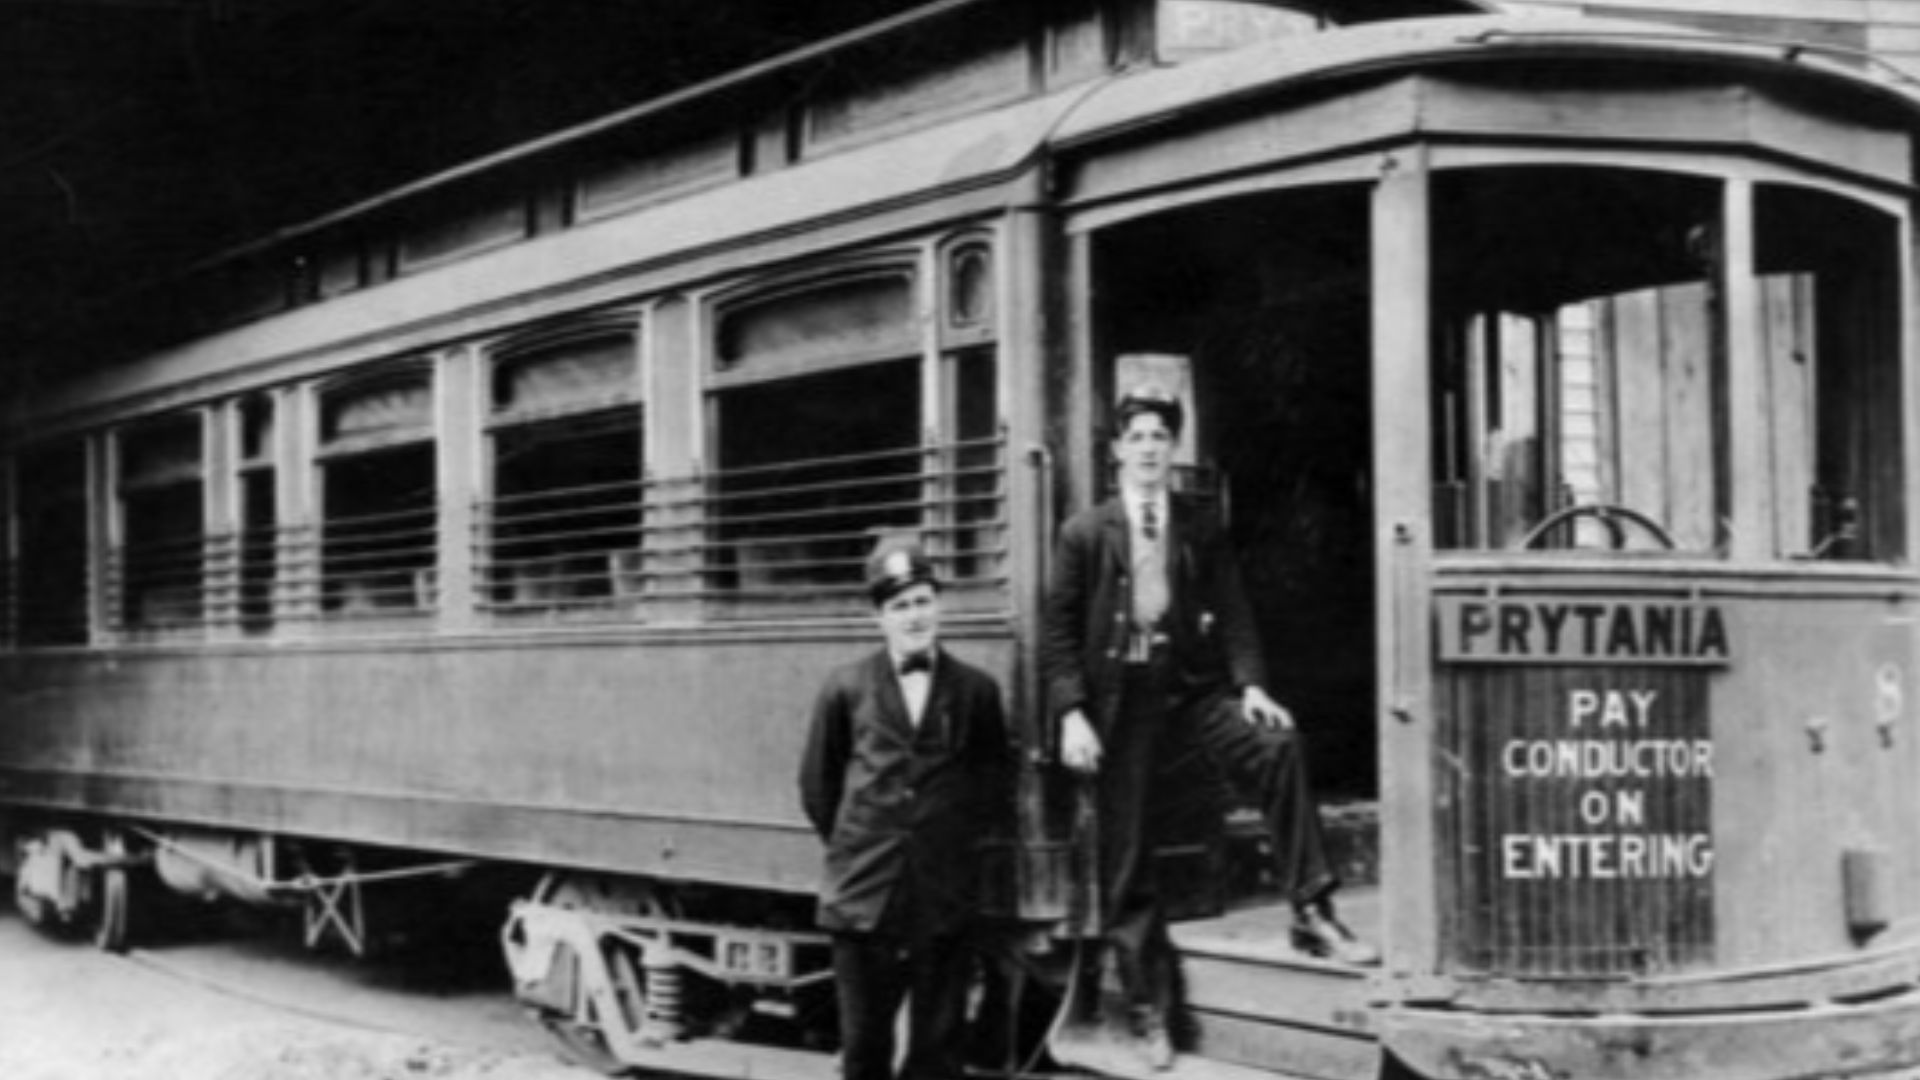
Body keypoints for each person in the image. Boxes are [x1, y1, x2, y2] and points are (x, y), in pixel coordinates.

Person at [1041, 385, 1377, 1069]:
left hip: (1190, 699)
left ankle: (1312, 911)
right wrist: (1072, 712)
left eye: (1160, 439)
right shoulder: (1085, 533)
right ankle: (1145, 1011)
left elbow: (1235, 609)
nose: (1149, 450)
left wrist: (1252, 686)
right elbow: (1057, 633)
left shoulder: (1198, 528)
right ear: (1116, 452)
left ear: (1173, 450)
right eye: (1136, 438)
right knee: (1126, 855)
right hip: (1119, 712)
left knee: (1279, 747)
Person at [799, 538, 1013, 1080]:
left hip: (942, 893)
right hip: (865, 892)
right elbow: (819, 786)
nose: (914, 617)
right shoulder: (846, 687)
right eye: (899, 606)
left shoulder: (976, 691)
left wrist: (945, 844)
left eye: (922, 601)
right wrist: (866, 844)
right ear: (879, 618)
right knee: (864, 1048)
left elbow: (992, 783)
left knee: (939, 1050)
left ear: (938, 605)